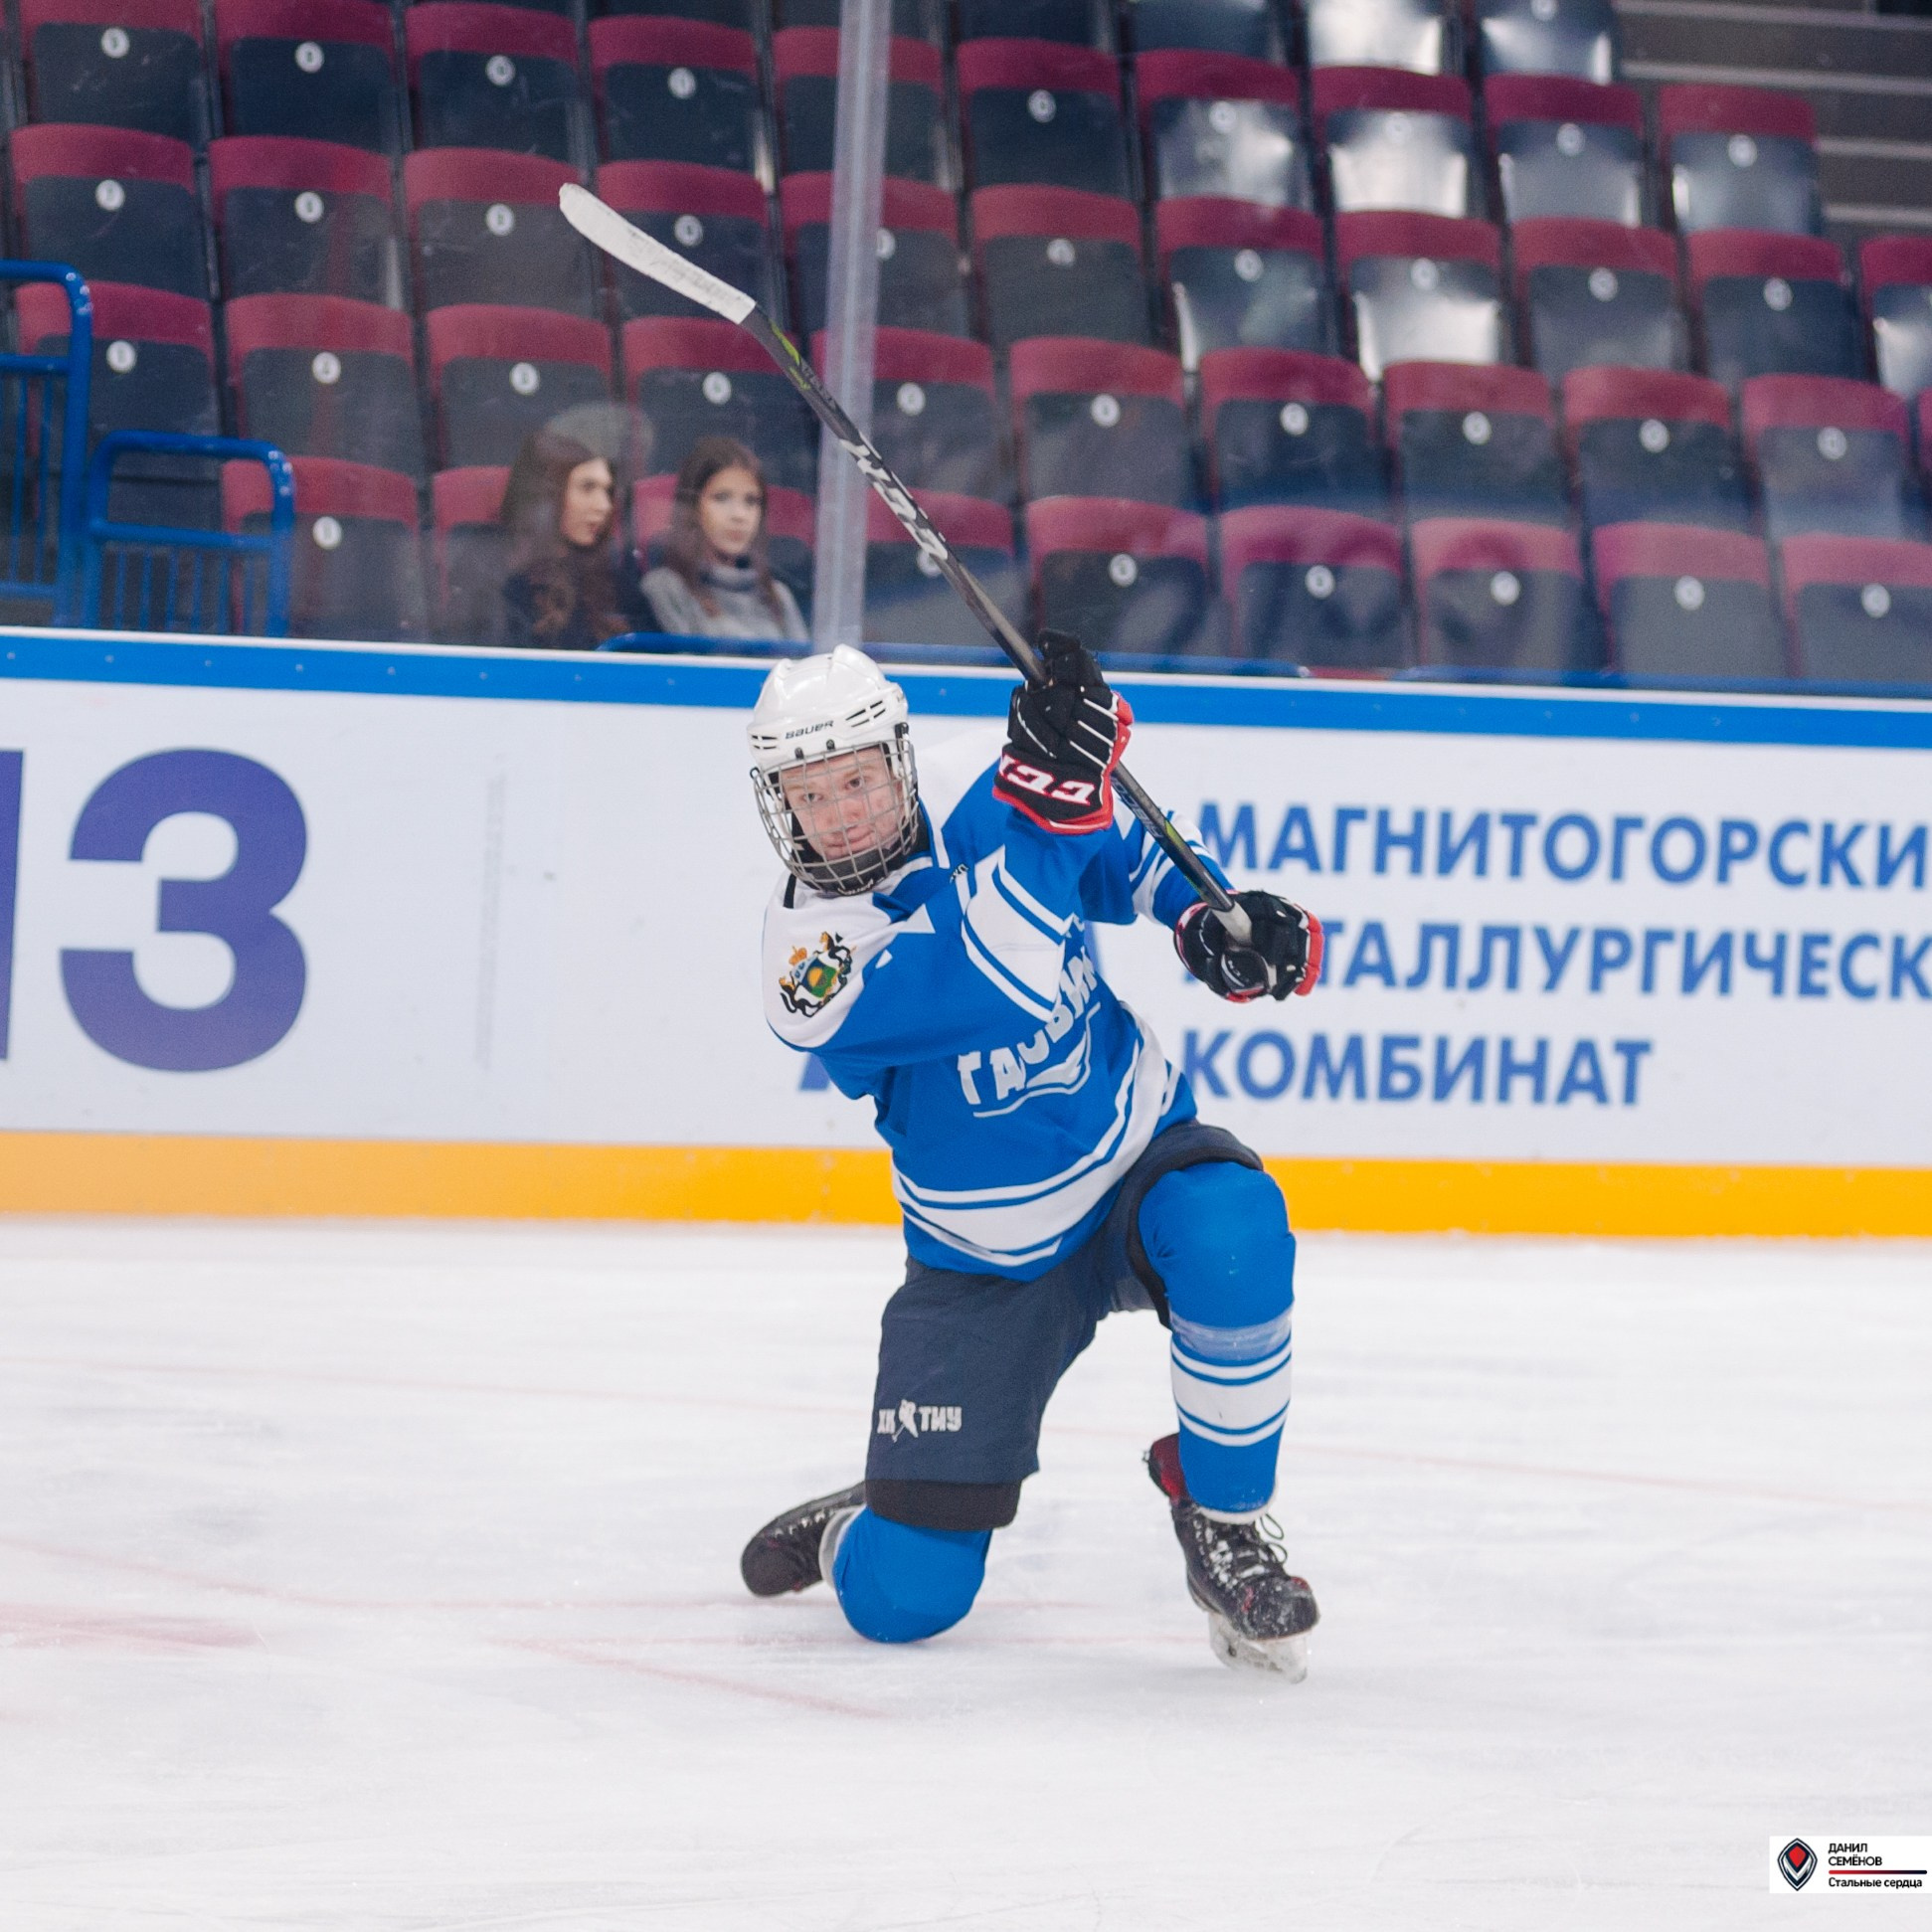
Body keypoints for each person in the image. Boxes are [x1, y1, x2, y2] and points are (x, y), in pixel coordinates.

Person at [738, 636, 1327, 1674]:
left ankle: (1223, 1514)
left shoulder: (982, 780)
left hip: (1131, 1156)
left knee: (1234, 1231)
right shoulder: (808, 966)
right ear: (776, 805)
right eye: (809, 793)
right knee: (905, 1601)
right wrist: (1054, 808)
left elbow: (1121, 855)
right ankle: (866, 1520)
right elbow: (991, 978)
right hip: (983, 1262)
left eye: (857, 780)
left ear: (899, 760)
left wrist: (1206, 917)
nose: (839, 812)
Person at [498, 430, 653, 651]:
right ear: (547, 497)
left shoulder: (619, 579)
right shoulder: (502, 585)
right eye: (587, 487)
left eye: (607, 491)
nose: (604, 506)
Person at [640, 439, 809, 643]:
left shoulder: (779, 596)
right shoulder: (666, 587)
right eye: (722, 498)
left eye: (751, 501)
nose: (739, 515)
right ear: (693, 508)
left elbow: (805, 669)